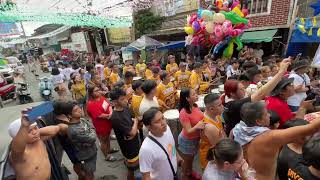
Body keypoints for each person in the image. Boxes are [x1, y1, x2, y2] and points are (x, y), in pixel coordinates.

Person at [232, 102, 320, 180]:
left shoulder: (237, 130)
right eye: (266, 114)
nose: (269, 115)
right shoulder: (269, 138)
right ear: (258, 121)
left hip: (245, 175)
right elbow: (312, 128)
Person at [222, 58, 291, 135]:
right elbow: (261, 94)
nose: (245, 91)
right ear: (232, 94)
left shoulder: (226, 98)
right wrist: (281, 72)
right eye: (241, 89)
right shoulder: (233, 105)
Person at [8, 110, 67, 180]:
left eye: (35, 128)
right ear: (19, 136)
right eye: (29, 131)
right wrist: (24, 126)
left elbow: (57, 129)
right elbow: (17, 149)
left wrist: (36, 130)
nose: (34, 132)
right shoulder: (19, 154)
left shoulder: (38, 141)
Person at [54, 101, 98, 180]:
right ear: (68, 115)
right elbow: (92, 138)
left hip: (90, 151)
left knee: (89, 172)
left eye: (79, 108)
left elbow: (92, 127)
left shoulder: (81, 120)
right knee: (89, 174)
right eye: (75, 110)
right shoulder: (72, 129)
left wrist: (91, 130)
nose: (80, 110)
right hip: (85, 155)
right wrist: (91, 131)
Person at [139, 107, 181, 180]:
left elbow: (170, 145)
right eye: (157, 121)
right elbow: (146, 176)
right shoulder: (146, 149)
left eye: (163, 118)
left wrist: (177, 157)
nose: (163, 123)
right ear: (148, 127)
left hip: (174, 174)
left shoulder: (167, 129)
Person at [110, 87, 140, 180]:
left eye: (125, 97)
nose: (126, 100)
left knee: (134, 166)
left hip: (133, 143)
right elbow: (132, 132)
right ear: (115, 102)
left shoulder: (125, 108)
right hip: (129, 148)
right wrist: (136, 121)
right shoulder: (116, 117)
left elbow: (129, 118)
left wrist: (133, 120)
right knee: (132, 169)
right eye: (122, 99)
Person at [86, 85, 118, 161]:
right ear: (91, 93)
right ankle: (106, 156)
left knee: (107, 137)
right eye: (96, 91)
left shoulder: (101, 98)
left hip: (108, 122)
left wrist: (110, 112)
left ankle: (109, 149)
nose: (99, 91)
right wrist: (110, 115)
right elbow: (100, 115)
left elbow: (109, 105)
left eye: (98, 90)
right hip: (101, 125)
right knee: (103, 140)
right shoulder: (91, 104)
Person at [178, 88, 205, 179]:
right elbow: (188, 130)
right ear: (187, 98)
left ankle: (190, 172)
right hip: (187, 141)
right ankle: (184, 175)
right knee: (187, 161)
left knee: (192, 159)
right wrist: (198, 126)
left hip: (195, 139)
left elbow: (201, 116)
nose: (196, 95)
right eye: (193, 94)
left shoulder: (195, 105)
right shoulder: (183, 113)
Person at [199, 93, 226, 169]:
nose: (222, 107)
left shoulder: (216, 115)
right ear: (211, 109)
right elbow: (219, 148)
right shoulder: (210, 127)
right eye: (219, 105)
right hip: (210, 159)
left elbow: (222, 131)